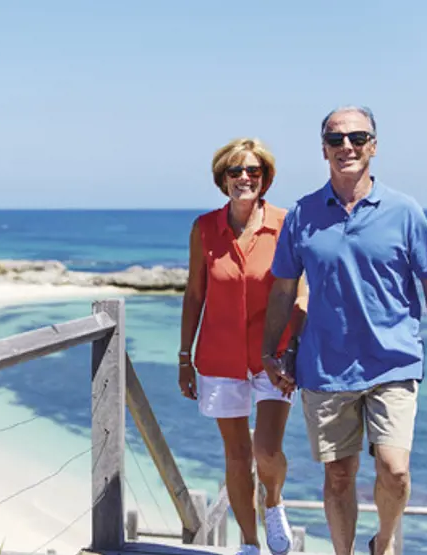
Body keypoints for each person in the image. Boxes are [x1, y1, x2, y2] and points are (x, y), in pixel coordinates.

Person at [261, 105, 427, 555]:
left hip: (394, 361)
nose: (346, 147)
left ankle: (383, 544)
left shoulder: (404, 211)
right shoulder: (302, 215)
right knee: (339, 475)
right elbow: (282, 290)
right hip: (325, 367)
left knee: (395, 471)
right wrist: (271, 352)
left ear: (373, 145)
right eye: (335, 140)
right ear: (323, 149)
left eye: (356, 137)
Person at [179, 137, 308, 555]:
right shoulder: (204, 229)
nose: (244, 178)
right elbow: (195, 294)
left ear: (265, 178)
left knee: (266, 451)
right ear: (223, 180)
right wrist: (185, 355)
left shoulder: (287, 224)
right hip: (218, 357)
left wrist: (292, 352)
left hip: (275, 358)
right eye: (235, 172)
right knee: (236, 456)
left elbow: (301, 293)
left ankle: (274, 502)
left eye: (253, 171)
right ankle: (250, 544)